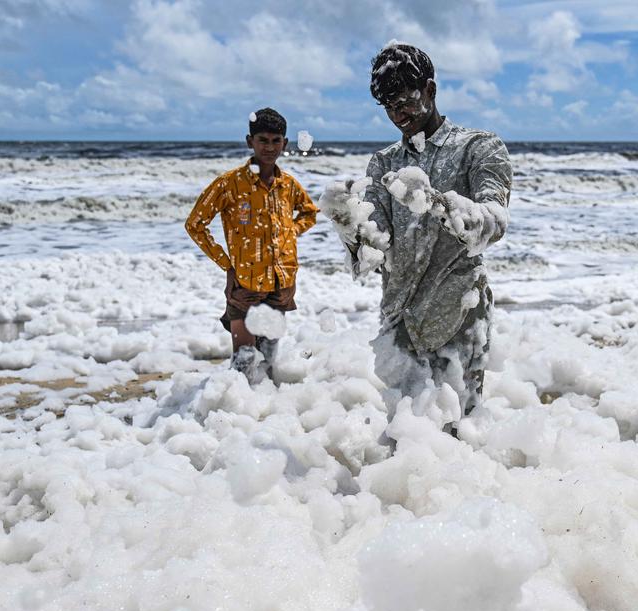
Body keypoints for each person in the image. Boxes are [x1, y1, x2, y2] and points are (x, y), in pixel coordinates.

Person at [345, 43, 513, 426]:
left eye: (405, 100)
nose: (398, 114)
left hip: (457, 312)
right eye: (388, 106)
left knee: (459, 429)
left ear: (431, 90)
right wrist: (347, 222)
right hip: (399, 318)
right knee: (406, 432)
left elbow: (493, 222)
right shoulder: (384, 163)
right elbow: (375, 245)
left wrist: (437, 204)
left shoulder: (479, 148)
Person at [185, 108, 318, 381]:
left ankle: (265, 415)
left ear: (285, 143)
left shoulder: (288, 185)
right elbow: (195, 224)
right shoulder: (229, 184)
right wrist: (227, 264)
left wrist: (290, 232)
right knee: (243, 361)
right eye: (263, 140)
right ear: (250, 141)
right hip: (245, 283)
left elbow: (310, 213)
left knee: (268, 360)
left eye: (275, 140)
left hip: (282, 281)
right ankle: (233, 416)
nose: (269, 147)